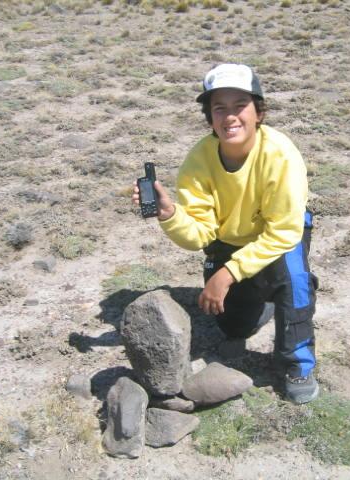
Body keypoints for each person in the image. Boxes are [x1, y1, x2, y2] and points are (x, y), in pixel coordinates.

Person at [132, 63, 318, 404]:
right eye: (219, 108)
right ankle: (263, 299)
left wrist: (227, 273)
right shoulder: (199, 161)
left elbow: (283, 231)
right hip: (230, 238)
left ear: (259, 112)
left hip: (279, 235)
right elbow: (200, 235)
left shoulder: (281, 154)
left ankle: (298, 363)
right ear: (209, 118)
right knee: (234, 328)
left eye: (240, 106)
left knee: (294, 279)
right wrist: (170, 215)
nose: (229, 117)